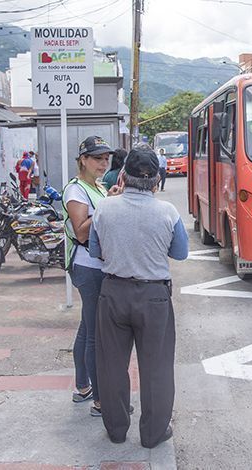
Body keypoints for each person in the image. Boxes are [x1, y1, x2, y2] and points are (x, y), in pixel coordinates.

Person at [89, 147, 189, 448]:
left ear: (123, 175)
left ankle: (117, 430)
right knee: (156, 366)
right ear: (157, 180)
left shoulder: (105, 208)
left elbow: (95, 252)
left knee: (111, 365)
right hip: (154, 296)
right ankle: (153, 433)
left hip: (113, 293)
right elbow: (180, 253)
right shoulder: (168, 212)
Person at [62, 136, 116, 417]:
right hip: (87, 266)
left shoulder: (99, 187)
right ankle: (99, 399)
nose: (103, 163)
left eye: (106, 158)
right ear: (83, 159)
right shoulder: (75, 190)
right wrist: (109, 206)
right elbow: (82, 230)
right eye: (97, 158)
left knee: (86, 327)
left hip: (97, 265)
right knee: (96, 332)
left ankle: (82, 386)